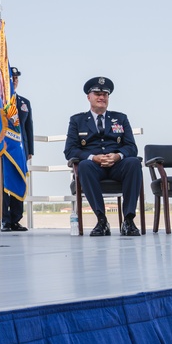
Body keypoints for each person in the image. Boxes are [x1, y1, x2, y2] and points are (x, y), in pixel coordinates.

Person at [64, 76, 142, 237]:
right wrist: (93, 157)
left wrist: (118, 156)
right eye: (97, 94)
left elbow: (131, 147)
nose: (101, 97)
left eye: (105, 94)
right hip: (94, 166)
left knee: (133, 163)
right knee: (84, 165)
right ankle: (101, 220)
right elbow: (70, 151)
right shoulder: (77, 121)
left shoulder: (120, 118)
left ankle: (128, 220)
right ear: (89, 97)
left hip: (117, 166)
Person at [0, 66, 34, 231]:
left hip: (19, 149)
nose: (14, 80)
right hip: (1, 149)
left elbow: (28, 127)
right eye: (11, 78)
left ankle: (16, 219)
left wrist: (30, 150)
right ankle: (4, 219)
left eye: (16, 78)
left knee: (18, 181)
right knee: (2, 184)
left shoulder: (24, 103)